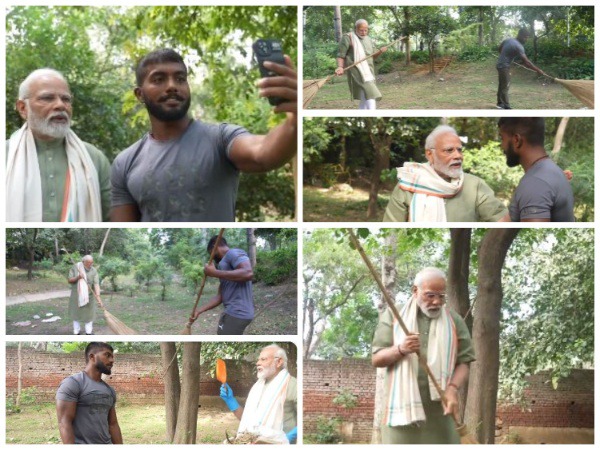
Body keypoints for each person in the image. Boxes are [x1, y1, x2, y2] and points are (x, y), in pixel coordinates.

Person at [110, 48, 297, 222]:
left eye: (180, 78)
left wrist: (294, 119)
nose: (172, 86)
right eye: (159, 79)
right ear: (140, 94)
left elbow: (263, 153)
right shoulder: (124, 163)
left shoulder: (220, 138)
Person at [372, 268, 475, 444]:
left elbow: (464, 362)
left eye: (441, 296)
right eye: (430, 295)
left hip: (442, 412)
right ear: (415, 291)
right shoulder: (394, 316)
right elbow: (377, 359)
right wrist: (401, 349)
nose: (436, 301)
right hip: (401, 415)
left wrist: (452, 389)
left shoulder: (454, 321)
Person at [6, 68, 111, 222]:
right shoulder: (6, 155)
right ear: (23, 108)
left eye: (66, 99)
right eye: (47, 98)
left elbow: (112, 217)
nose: (60, 105)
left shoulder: (93, 157)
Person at [383, 125, 507, 222]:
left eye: (459, 150)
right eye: (449, 150)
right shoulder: (407, 186)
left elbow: (501, 220)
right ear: (430, 155)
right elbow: (391, 229)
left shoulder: (474, 185)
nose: (458, 156)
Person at [498, 117, 575, 222]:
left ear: (516, 140)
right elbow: (509, 219)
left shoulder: (536, 183)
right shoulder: (551, 172)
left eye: (502, 139)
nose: (501, 146)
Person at [219, 344, 298, 444]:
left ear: (278, 362)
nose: (257, 363)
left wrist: (291, 436)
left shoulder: (293, 386)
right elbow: (250, 423)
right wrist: (231, 401)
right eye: (258, 359)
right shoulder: (258, 387)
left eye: (263, 359)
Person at [56, 342, 123, 444]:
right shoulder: (73, 383)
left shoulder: (109, 390)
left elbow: (113, 424)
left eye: (112, 357)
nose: (112, 360)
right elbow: (64, 423)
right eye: (107, 355)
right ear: (92, 357)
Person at [191, 236, 254, 335]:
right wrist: (199, 311)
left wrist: (215, 273)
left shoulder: (233, 253)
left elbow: (248, 273)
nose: (211, 256)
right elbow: (220, 297)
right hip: (234, 312)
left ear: (214, 247)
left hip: (237, 312)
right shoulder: (223, 265)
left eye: (210, 253)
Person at [335, 19, 387, 110]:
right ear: (356, 28)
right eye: (361, 30)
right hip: (357, 71)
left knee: (364, 97)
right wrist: (340, 67)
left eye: (365, 30)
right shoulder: (348, 37)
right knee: (371, 95)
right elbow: (341, 55)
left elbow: (372, 57)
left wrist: (380, 52)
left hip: (369, 71)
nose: (363, 32)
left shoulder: (368, 39)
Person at [496, 28, 546, 109]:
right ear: (520, 35)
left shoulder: (509, 40)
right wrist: (538, 70)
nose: (526, 39)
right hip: (504, 66)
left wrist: (506, 56)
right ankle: (506, 106)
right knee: (505, 85)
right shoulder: (518, 46)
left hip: (501, 65)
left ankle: (500, 103)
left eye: (527, 37)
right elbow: (527, 62)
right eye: (525, 37)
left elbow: (499, 49)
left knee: (502, 84)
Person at [67, 255, 103, 335]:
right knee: (76, 314)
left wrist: (98, 296)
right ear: (83, 262)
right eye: (88, 263)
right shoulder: (75, 268)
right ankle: (76, 332)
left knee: (89, 315)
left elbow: (96, 284)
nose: (90, 264)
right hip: (76, 296)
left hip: (89, 296)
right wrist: (78, 277)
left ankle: (88, 332)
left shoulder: (94, 271)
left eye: (91, 262)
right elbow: (69, 280)